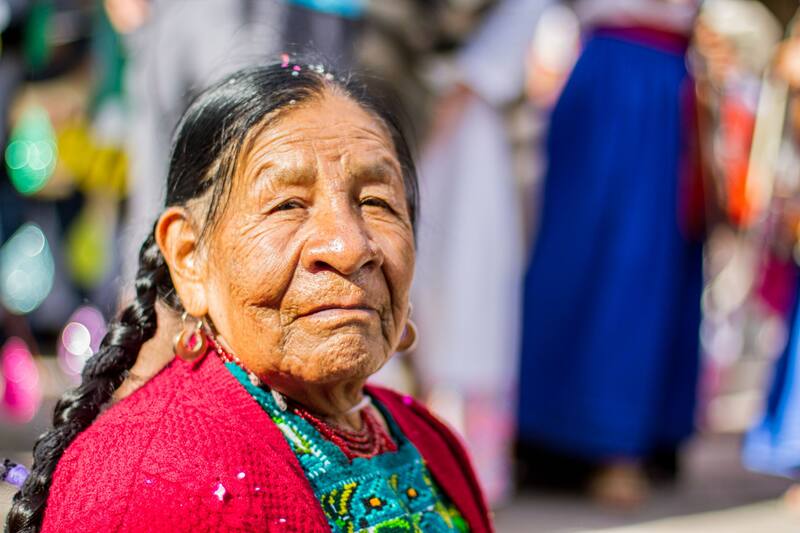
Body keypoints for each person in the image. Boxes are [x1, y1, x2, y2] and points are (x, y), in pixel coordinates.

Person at [6, 62, 492, 533]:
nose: (349, 247)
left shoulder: (429, 439)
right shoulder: (147, 483)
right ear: (190, 256)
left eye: (376, 203)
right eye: (288, 205)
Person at [516, 0, 703, 506]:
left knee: (643, 261)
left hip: (660, 82)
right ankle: (551, 432)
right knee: (581, 257)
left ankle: (624, 441)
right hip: (614, 78)